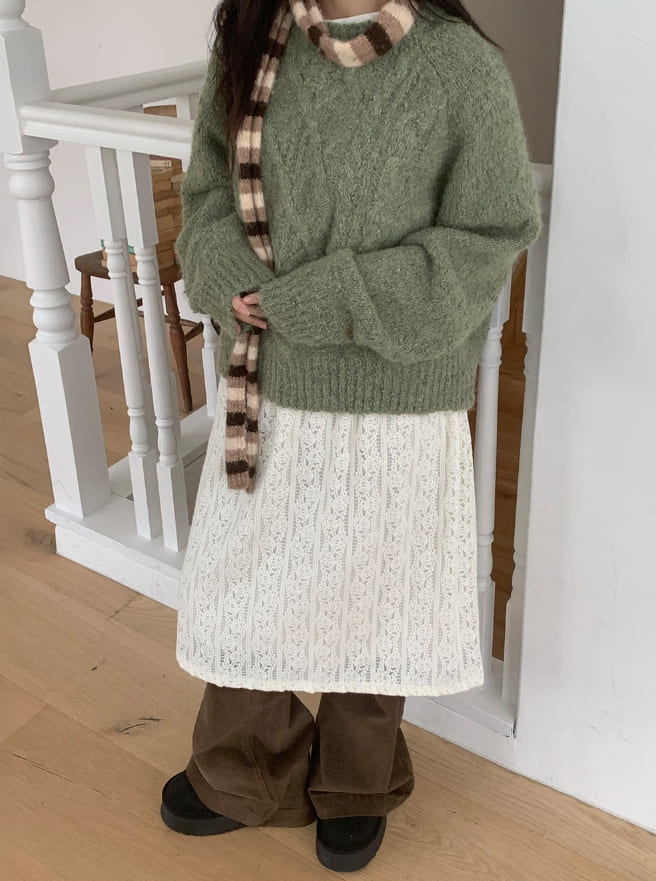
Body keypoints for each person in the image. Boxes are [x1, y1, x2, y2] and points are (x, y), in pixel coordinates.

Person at [161, 0, 543, 871]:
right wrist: (223, 271)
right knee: (247, 586)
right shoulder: (250, 38)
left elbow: (488, 238)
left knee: (379, 594)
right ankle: (244, 770)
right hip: (267, 378)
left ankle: (357, 782)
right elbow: (209, 190)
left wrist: (333, 298)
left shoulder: (459, 67)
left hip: (399, 395)